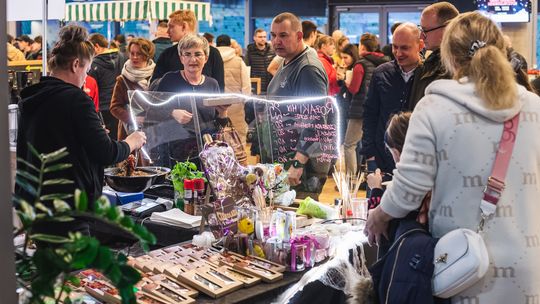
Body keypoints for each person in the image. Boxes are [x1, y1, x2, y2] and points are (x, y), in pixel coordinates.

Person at [365, 12, 540, 302]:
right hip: (528, 265)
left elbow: (408, 190)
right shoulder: (533, 105)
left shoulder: (433, 107)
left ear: (449, 56)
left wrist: (379, 215)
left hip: (463, 265)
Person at [16, 24, 146, 211]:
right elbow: (106, 152)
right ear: (76, 64)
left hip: (33, 200)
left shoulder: (33, 96)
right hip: (68, 202)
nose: (86, 77)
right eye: (86, 70)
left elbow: (57, 138)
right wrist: (131, 142)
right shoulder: (76, 99)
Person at [267, 12, 329, 199]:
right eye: (273, 35)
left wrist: (298, 163)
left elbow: (316, 121)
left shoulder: (308, 68)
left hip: (303, 167)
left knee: (301, 222)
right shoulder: (288, 61)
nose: (277, 41)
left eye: (283, 35)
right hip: (286, 159)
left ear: (299, 36)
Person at [151, 34, 229, 167]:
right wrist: (172, 112)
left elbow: (218, 126)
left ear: (206, 58)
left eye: (198, 54)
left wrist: (223, 113)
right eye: (187, 54)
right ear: (181, 58)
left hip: (205, 153)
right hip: (174, 153)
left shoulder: (212, 84)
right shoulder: (169, 80)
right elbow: (152, 110)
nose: (193, 59)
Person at [361, 23, 423, 176]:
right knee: (376, 199)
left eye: (404, 48)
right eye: (395, 47)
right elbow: (370, 114)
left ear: (420, 45)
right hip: (381, 160)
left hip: (417, 161)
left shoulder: (428, 75)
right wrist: (370, 154)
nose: (398, 53)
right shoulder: (381, 73)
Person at [341, 34, 389, 176]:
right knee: (369, 144)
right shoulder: (384, 62)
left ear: (362, 46)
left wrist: (345, 82)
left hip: (359, 109)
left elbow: (354, 88)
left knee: (349, 144)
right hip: (378, 109)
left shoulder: (360, 64)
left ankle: (351, 178)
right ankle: (368, 176)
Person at [151, 10, 225, 92]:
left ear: (184, 26)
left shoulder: (213, 53)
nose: (168, 31)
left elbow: (219, 91)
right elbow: (155, 87)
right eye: (187, 54)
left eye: (171, 27)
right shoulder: (167, 54)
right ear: (181, 58)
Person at [408, 2, 459, 109]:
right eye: (421, 29)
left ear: (447, 28)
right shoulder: (429, 62)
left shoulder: (458, 67)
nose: (421, 36)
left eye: (425, 30)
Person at [110, 38, 156, 141]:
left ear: (147, 55)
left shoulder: (155, 76)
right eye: (132, 53)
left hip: (153, 131)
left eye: (139, 53)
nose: (134, 57)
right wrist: (132, 118)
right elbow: (114, 107)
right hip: (130, 133)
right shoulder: (123, 79)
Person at [88, 33, 125, 140]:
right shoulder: (122, 57)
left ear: (96, 46)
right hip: (120, 106)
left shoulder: (94, 64)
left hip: (103, 108)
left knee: (107, 142)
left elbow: (91, 87)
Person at [216, 34, 250, 144]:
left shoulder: (210, 61)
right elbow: (246, 85)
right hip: (235, 104)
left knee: (217, 137)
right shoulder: (238, 61)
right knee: (237, 136)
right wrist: (245, 100)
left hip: (215, 105)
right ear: (230, 45)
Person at [245, 28, 275, 94]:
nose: (263, 39)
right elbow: (247, 68)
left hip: (270, 85)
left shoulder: (272, 51)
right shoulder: (250, 51)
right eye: (260, 37)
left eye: (264, 37)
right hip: (256, 85)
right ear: (254, 38)